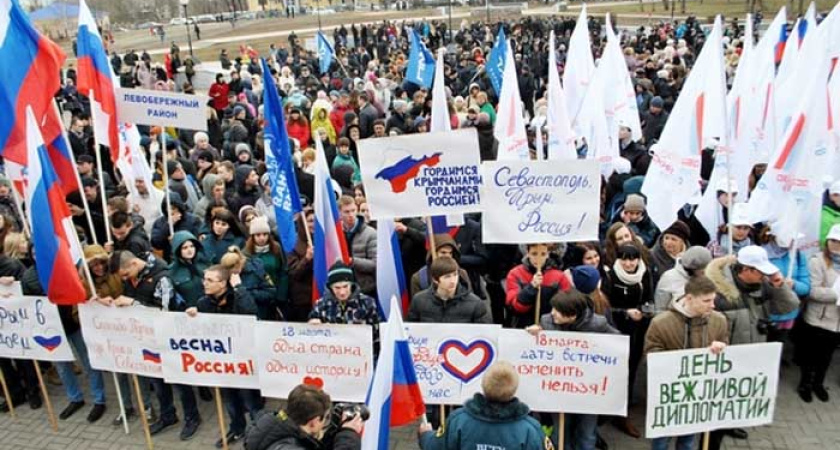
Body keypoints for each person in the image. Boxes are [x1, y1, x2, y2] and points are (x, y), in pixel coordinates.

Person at [704, 245, 800, 447]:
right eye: (761, 271)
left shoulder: (764, 285)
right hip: (724, 361)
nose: (765, 275)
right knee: (718, 409)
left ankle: (730, 425)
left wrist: (779, 285)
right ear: (745, 270)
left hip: (751, 356)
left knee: (737, 401)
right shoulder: (718, 292)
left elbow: (789, 306)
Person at [110, 251, 203, 440]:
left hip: (169, 339)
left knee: (179, 381)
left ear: (134, 264)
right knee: (158, 382)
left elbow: (164, 312)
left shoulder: (162, 279)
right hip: (147, 340)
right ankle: (168, 415)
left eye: (126, 275)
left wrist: (133, 303)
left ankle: (192, 417)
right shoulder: (133, 278)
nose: (126, 279)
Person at [644, 276, 729, 450]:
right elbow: (650, 356)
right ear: (689, 298)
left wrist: (721, 348)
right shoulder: (661, 323)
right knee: (661, 441)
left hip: (697, 395)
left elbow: (725, 347)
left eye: (713, 299)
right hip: (669, 395)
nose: (712, 305)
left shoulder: (719, 320)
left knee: (688, 441)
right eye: (706, 301)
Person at [527, 289, 619, 449]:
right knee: (560, 433)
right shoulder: (547, 321)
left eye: (558, 311)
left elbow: (618, 344)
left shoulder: (598, 324)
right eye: (553, 308)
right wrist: (533, 333)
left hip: (588, 390)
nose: (552, 313)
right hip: (559, 390)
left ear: (572, 315)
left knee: (587, 433)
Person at [189, 265, 261, 448]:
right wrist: (194, 316)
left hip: (243, 360)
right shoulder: (204, 303)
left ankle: (259, 434)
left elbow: (251, 314)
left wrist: (240, 289)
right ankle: (237, 428)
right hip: (222, 364)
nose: (204, 283)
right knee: (230, 400)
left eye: (210, 280)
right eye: (204, 279)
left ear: (222, 283)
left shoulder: (238, 297)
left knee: (250, 401)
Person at [418, 361, 551, 450]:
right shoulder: (530, 429)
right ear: (514, 390)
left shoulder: (458, 420)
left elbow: (435, 446)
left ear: (483, 385)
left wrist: (425, 435)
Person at [602, 243, 653, 439]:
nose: (629, 263)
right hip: (617, 328)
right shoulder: (610, 276)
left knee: (632, 368)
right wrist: (625, 313)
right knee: (617, 369)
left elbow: (648, 297)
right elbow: (606, 307)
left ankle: (624, 409)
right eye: (624, 258)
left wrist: (644, 310)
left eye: (632, 258)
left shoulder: (645, 274)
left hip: (638, 329)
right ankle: (613, 409)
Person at [794, 224, 840, 403]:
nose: (836, 244)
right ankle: (805, 383)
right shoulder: (817, 260)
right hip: (817, 318)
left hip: (836, 321)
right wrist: (837, 294)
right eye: (833, 241)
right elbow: (813, 292)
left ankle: (818, 384)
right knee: (810, 354)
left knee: (827, 356)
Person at [243, 384, 362, 450]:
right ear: (313, 422)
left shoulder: (270, 426)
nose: (325, 423)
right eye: (325, 418)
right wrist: (348, 435)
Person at [505, 243, 571, 328]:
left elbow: (566, 306)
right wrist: (531, 287)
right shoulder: (515, 274)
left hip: (550, 327)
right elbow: (516, 307)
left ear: (548, 255)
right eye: (534, 254)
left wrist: (545, 323)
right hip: (522, 326)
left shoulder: (559, 276)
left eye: (543, 254)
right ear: (527, 253)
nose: (538, 259)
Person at [408, 256, 490, 324]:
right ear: (435, 280)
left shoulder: (476, 304)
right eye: (447, 277)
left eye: (455, 275)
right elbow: (410, 331)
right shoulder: (419, 301)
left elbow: (482, 337)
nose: (453, 280)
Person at [244, 216, 289, 320]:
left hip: (275, 297)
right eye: (258, 235)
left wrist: (280, 296)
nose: (262, 238)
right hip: (256, 299)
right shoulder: (246, 253)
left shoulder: (276, 249)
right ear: (252, 236)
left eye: (265, 234)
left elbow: (283, 272)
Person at [337, 196, 376, 296]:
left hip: (365, 289)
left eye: (353, 210)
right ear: (339, 213)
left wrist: (352, 261)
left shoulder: (370, 233)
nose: (351, 215)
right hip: (341, 289)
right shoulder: (335, 234)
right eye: (346, 212)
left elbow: (375, 264)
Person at [653, 246, 712, 311]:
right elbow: (660, 308)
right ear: (692, 269)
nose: (704, 273)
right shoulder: (669, 278)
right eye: (702, 271)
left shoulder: (707, 277)